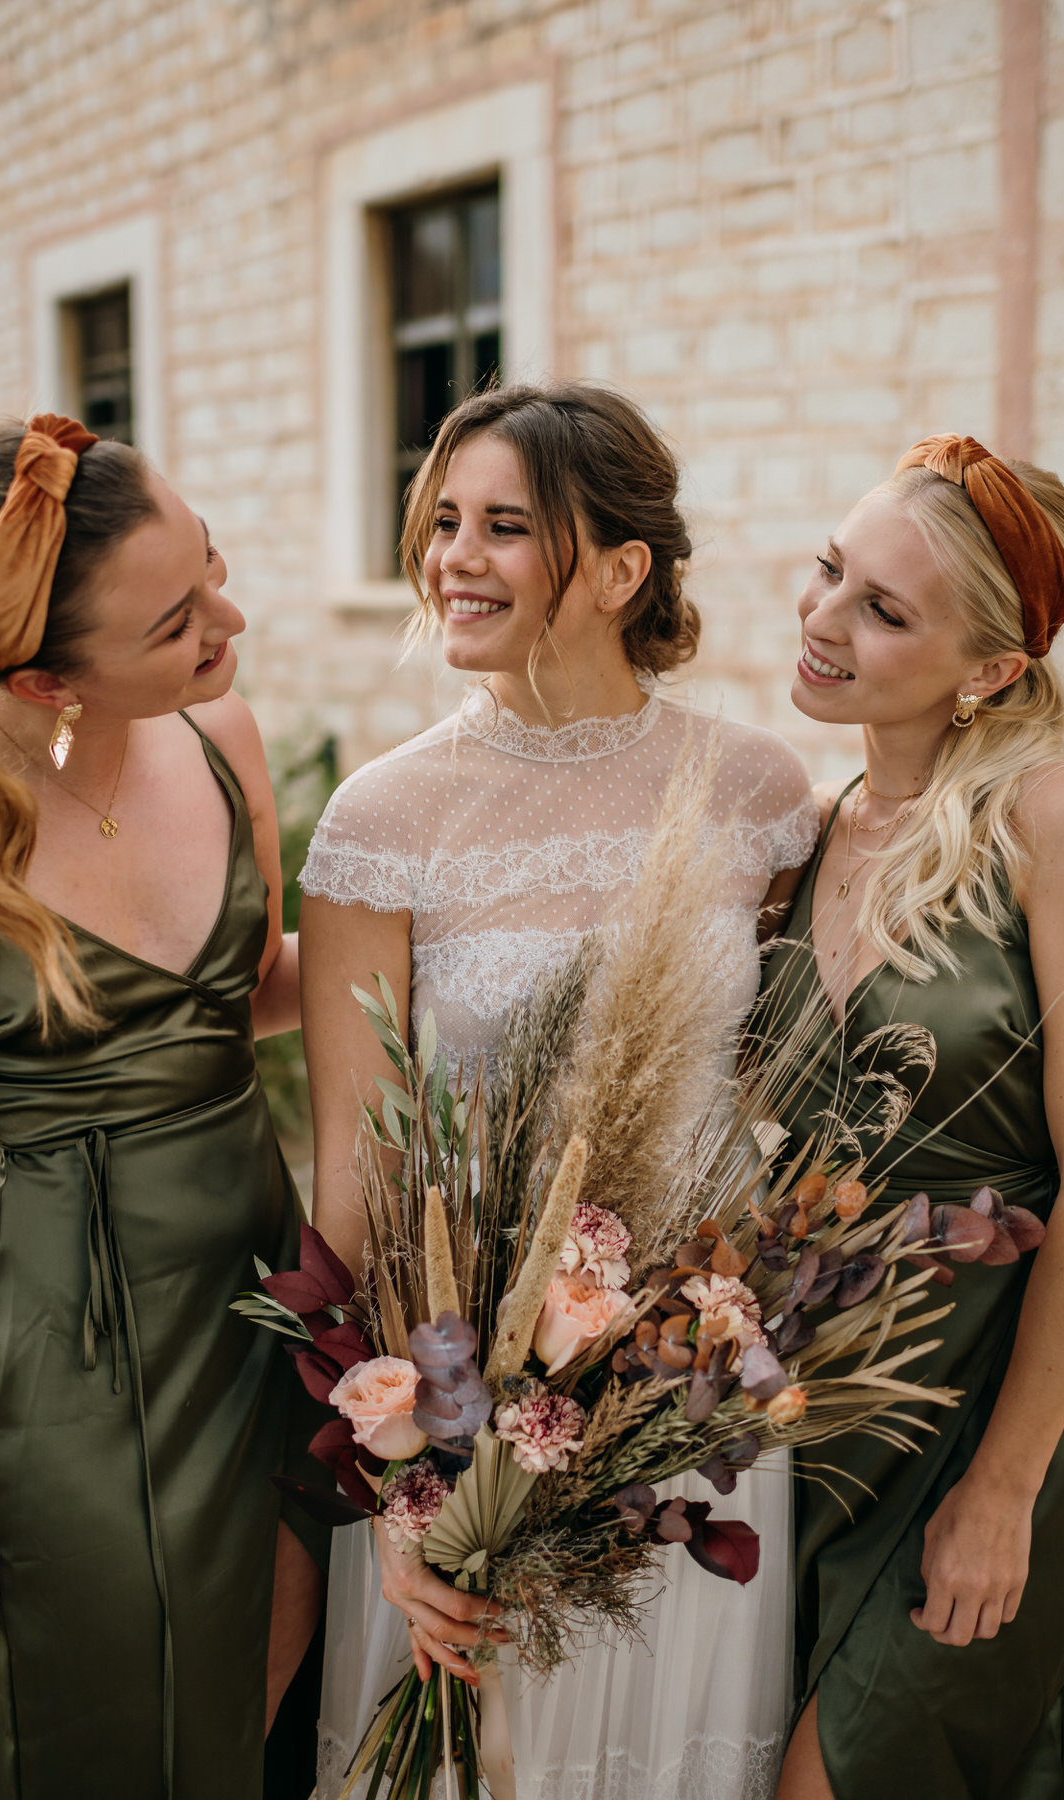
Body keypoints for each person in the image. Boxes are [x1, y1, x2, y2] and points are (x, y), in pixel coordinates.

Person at [299, 381, 820, 1800]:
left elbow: (783, 1080)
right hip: (470, 1397)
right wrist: (393, 1482)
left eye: (505, 527)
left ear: (619, 568)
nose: (453, 555)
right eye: (445, 519)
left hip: (701, 1380)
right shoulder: (382, 819)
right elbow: (353, 1174)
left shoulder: (759, 793)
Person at [0, 414, 326, 1800]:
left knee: (286, 1675)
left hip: (277, 1290)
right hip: (79, 1346)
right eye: (179, 621)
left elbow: (252, 992)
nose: (232, 619)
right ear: (45, 678)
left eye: (210, 567)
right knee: (118, 1721)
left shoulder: (224, 733)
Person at [757, 435, 1064, 1800]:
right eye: (831, 572)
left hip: (995, 1383)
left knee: (840, 1773)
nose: (823, 619)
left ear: (993, 672)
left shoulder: (1061, 816)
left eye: (883, 609)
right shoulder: (801, 831)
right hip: (817, 1387)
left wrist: (1012, 1485)